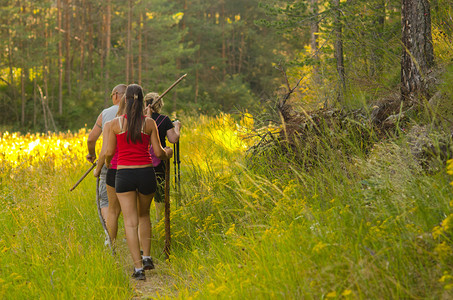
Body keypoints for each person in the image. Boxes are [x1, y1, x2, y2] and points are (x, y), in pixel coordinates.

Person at [105, 84, 173, 281]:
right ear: (143, 101)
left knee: (129, 221)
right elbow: (159, 153)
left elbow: (109, 153)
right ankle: (147, 257)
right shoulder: (149, 123)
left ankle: (137, 269)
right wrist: (168, 152)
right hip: (146, 174)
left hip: (124, 175)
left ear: (125, 100)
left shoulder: (116, 124)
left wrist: (109, 165)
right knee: (144, 215)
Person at [87, 84, 127, 221]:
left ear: (116, 95)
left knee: (105, 201)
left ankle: (108, 236)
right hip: (131, 161)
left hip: (108, 161)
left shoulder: (105, 113)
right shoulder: (137, 112)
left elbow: (91, 138)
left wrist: (92, 154)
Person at [93, 94, 127, 245]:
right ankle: (137, 247)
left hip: (113, 167)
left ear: (115, 96)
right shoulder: (144, 120)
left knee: (110, 206)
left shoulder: (109, 120)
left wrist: (100, 166)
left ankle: (110, 241)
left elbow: (106, 150)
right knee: (131, 209)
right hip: (136, 168)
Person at [144, 92, 181, 222]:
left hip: (141, 159)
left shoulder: (139, 119)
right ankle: (160, 219)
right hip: (158, 159)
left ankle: (143, 219)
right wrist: (177, 127)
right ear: (159, 105)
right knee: (160, 190)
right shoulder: (164, 120)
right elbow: (173, 139)